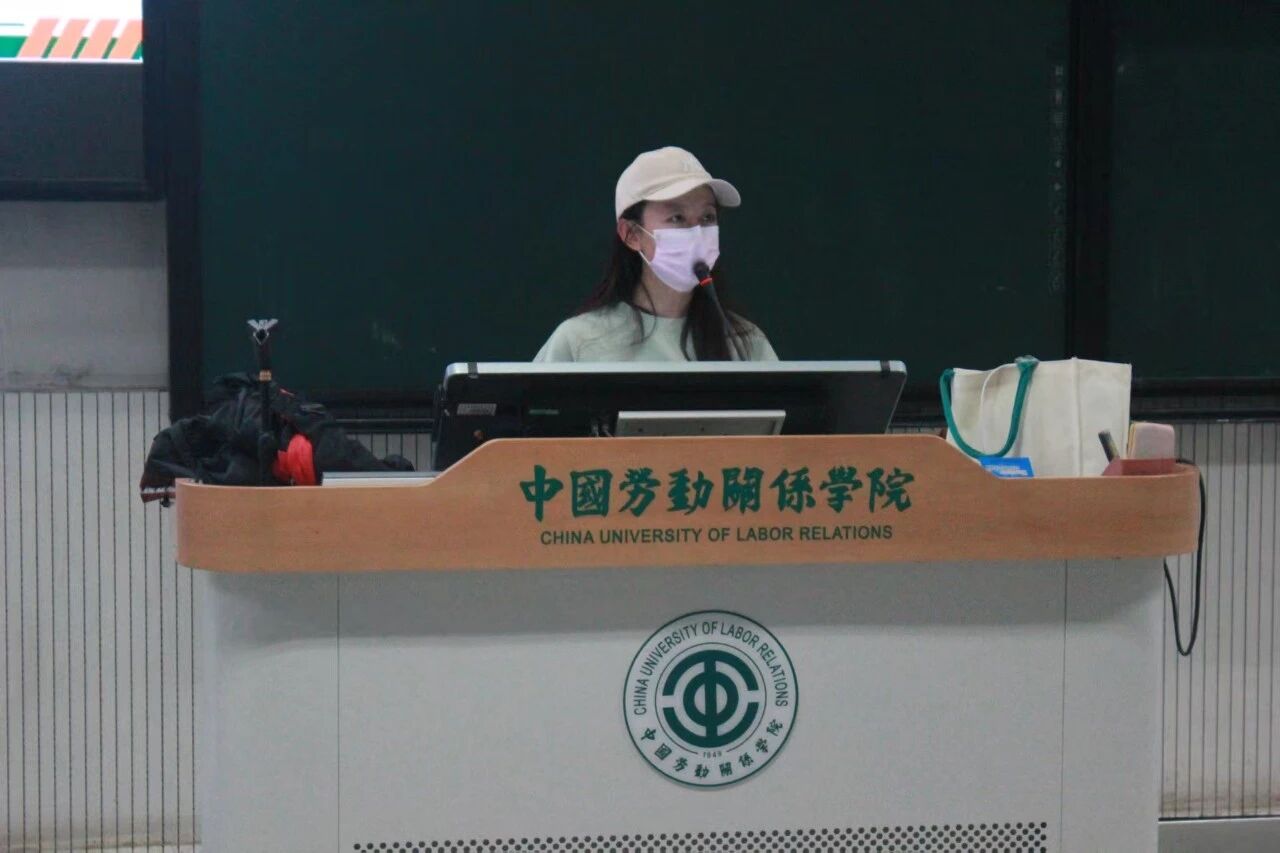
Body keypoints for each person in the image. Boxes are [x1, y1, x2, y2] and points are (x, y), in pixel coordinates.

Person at [534, 146, 778, 362]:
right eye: (677, 218)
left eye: (707, 217)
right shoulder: (579, 342)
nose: (696, 233)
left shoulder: (746, 343)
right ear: (631, 234)